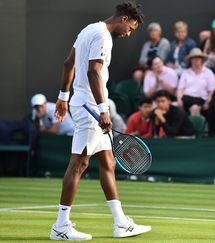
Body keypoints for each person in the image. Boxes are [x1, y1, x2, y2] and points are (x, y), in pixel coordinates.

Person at [52, 2, 150, 240]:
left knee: (108, 163)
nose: (129, 34)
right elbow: (93, 71)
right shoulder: (103, 37)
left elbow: (68, 63)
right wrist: (104, 109)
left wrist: (63, 97)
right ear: (124, 19)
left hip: (82, 103)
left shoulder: (88, 29)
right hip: (90, 108)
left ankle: (121, 223)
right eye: (131, 28)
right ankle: (61, 226)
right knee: (79, 164)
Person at [177, 48, 215, 116]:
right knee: (173, 105)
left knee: (194, 108)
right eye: (194, 58)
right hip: (186, 98)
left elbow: (212, 91)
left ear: (202, 60)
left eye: (198, 58)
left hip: (200, 99)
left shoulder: (209, 73)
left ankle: (194, 125)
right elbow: (180, 89)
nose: (196, 60)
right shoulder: (185, 73)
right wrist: (179, 100)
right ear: (191, 60)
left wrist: (207, 102)